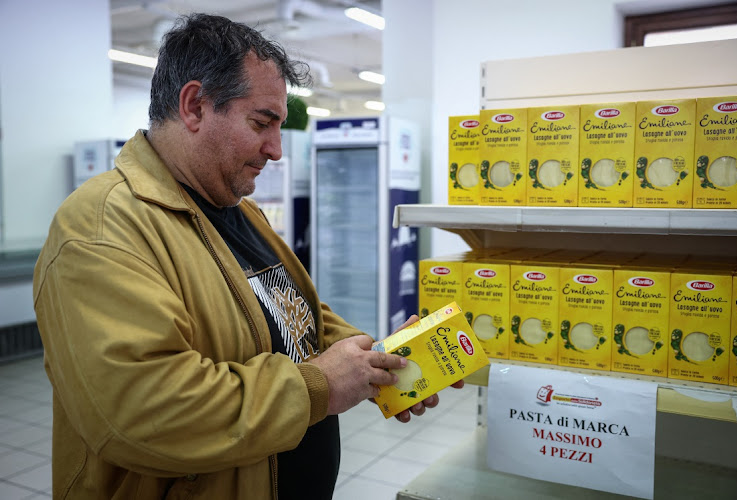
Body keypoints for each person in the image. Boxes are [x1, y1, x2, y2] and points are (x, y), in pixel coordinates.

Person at [33, 13, 462, 500]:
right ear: (194, 106)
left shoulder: (236, 208)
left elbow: (291, 313)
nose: (277, 150)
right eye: (262, 123)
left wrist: (375, 360)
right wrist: (319, 387)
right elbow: (143, 410)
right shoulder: (102, 227)